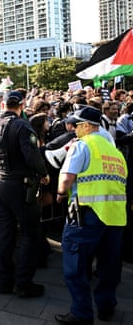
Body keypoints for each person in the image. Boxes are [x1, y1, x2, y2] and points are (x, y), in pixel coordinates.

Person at [55, 106, 127, 325]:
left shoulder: (82, 145)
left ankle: (81, 314)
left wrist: (60, 194)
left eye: (76, 125)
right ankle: (106, 306)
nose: (73, 129)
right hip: (115, 217)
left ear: (87, 126)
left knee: (75, 265)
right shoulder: (114, 151)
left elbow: (67, 178)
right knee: (108, 266)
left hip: (86, 214)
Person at [0, 90, 49, 297]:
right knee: (31, 232)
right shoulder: (22, 125)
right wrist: (44, 174)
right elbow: (32, 155)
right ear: (21, 105)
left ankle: (4, 280)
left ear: (3, 105)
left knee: (6, 231)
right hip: (18, 185)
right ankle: (23, 283)